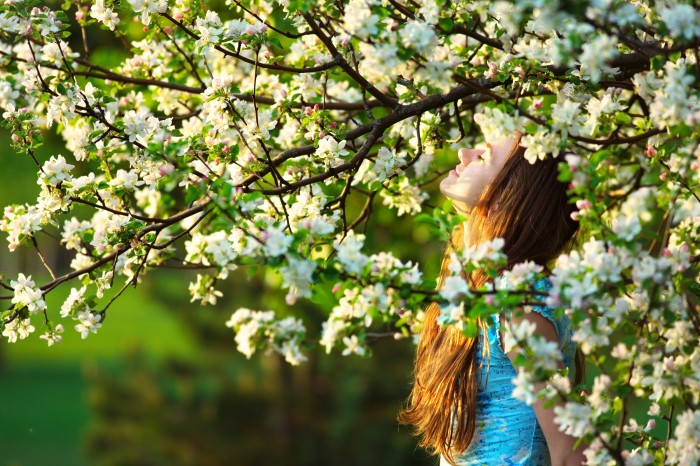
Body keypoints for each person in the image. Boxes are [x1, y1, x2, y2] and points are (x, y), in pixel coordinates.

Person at [400, 131, 586, 465]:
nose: (463, 153)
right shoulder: (482, 293)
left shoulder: (519, 303)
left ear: (506, 196)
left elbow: (571, 452)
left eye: (483, 156)